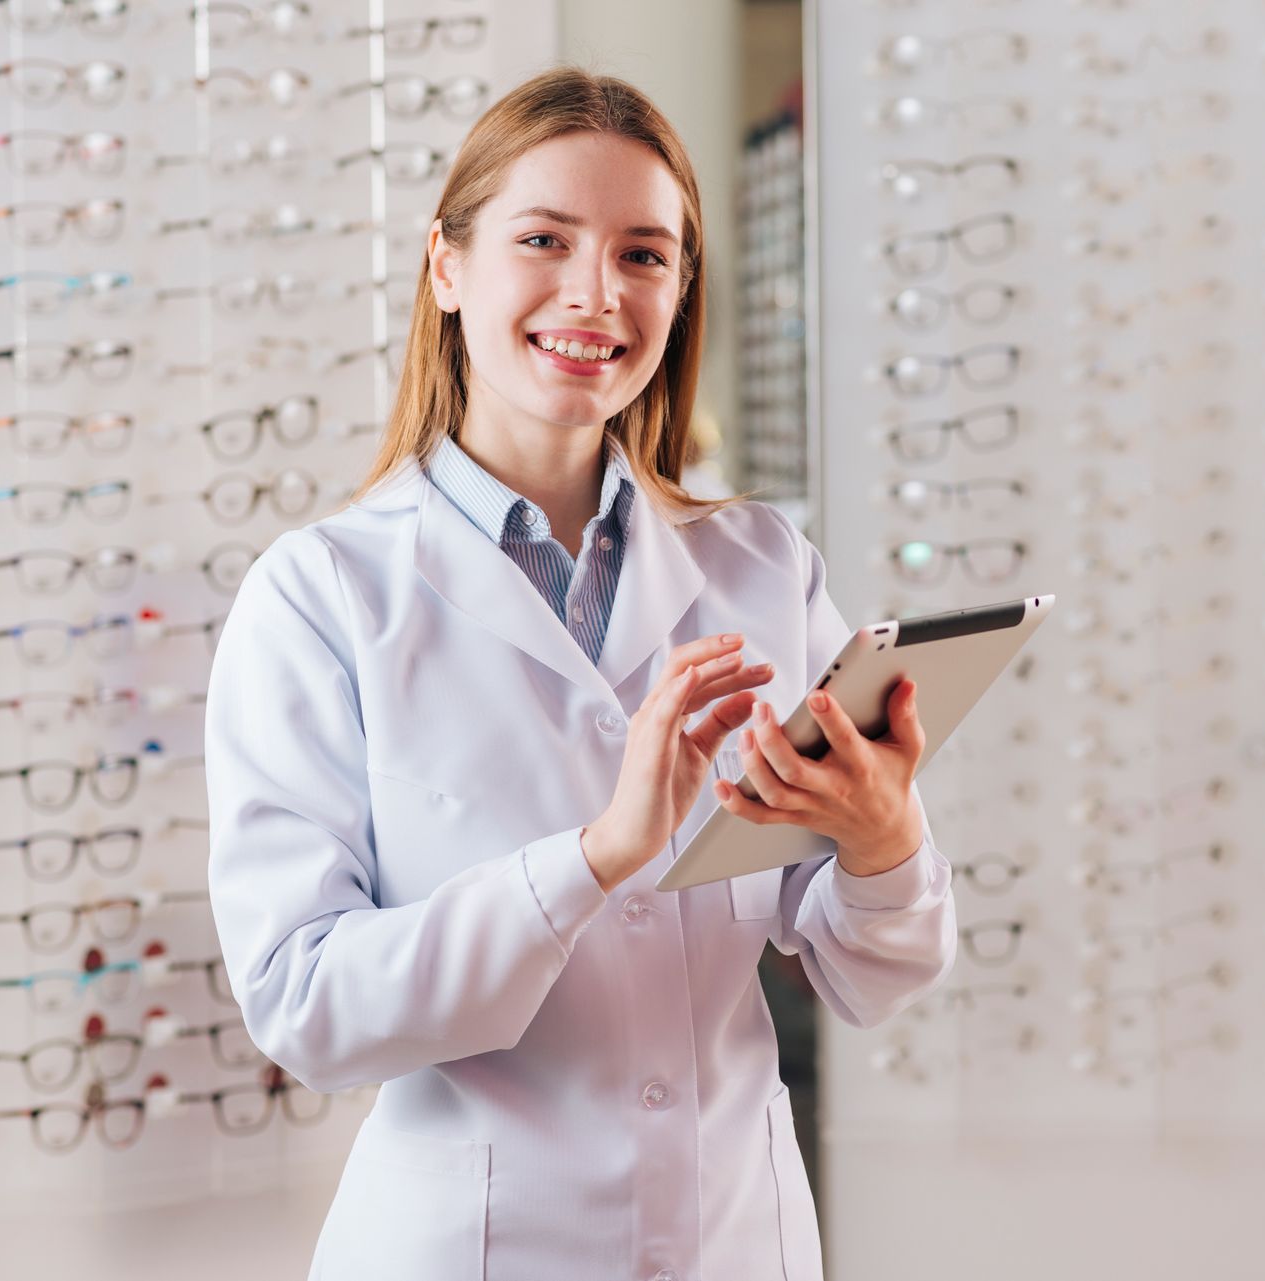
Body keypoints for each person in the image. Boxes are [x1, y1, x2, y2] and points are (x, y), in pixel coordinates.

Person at [203, 66, 958, 1281]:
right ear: (447, 268)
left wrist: (881, 839)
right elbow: (306, 1005)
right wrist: (597, 855)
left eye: (644, 255)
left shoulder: (761, 565)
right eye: (544, 239)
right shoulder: (323, 594)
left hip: (737, 1241)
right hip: (473, 1248)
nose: (596, 294)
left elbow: (875, 972)